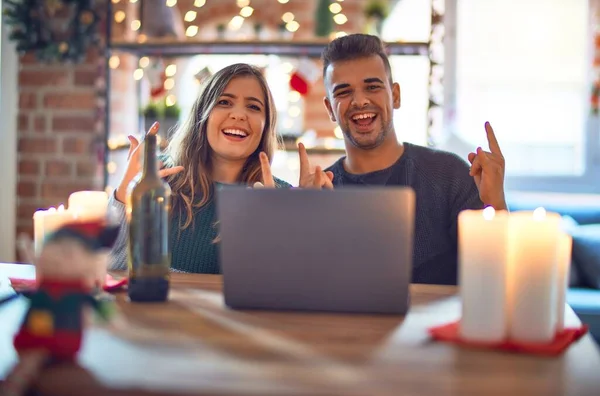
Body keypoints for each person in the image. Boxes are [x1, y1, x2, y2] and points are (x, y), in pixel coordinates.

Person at [320, 34, 507, 285]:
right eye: (343, 92)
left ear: (395, 96)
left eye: (372, 87)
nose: (360, 101)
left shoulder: (450, 175)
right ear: (330, 108)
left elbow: (494, 278)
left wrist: (496, 204)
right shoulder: (322, 191)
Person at [108, 63, 330, 274]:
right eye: (224, 102)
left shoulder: (283, 196)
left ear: (265, 126)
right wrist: (123, 197)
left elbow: (292, 288)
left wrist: (305, 222)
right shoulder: (158, 180)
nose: (239, 114)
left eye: (253, 107)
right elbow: (113, 269)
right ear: (201, 116)